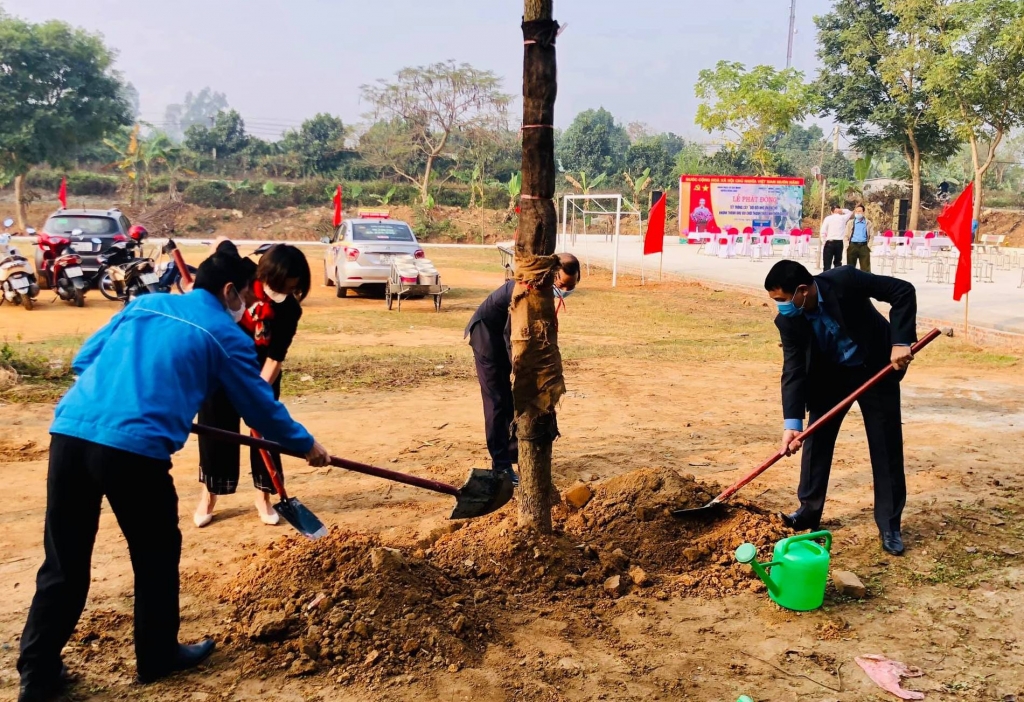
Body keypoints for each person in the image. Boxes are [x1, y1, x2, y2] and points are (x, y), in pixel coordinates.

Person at [16, 245, 330, 702]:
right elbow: (259, 406)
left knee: (64, 562)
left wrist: (146, 392)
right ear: (229, 291)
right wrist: (307, 445)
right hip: (133, 452)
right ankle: (157, 654)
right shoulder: (226, 334)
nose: (247, 302)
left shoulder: (143, 304)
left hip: (70, 436)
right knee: (156, 553)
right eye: (245, 293)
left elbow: (83, 361)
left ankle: (37, 674)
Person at [764, 260, 917, 557]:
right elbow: (793, 369)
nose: (779, 307)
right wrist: (792, 424)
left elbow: (902, 291)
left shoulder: (845, 281)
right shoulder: (789, 321)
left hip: (875, 368)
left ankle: (889, 523)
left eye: (782, 300)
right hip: (830, 377)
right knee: (816, 440)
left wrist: (900, 341)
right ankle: (808, 512)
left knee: (885, 444)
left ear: (803, 290)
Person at [193, 243, 312, 527]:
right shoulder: (242, 274)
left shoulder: (289, 311)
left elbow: (275, 358)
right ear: (265, 273)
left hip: (261, 375)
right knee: (216, 432)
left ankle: (264, 496)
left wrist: (254, 396)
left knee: (267, 435)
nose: (282, 293)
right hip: (221, 368)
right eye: (279, 285)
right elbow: (222, 247)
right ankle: (209, 494)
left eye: (291, 289)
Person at [465, 254, 581, 485]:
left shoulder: (542, 290)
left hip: (505, 340)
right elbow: (513, 336)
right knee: (497, 402)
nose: (566, 289)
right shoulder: (524, 291)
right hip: (487, 340)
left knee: (511, 399)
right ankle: (501, 466)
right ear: (552, 275)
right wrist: (524, 371)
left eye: (572, 285)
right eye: (563, 285)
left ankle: (515, 452)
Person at [819, 205, 852, 271]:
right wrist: (842, 210)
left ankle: (826, 278)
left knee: (827, 263)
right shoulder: (843, 218)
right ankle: (837, 278)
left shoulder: (828, 218)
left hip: (829, 242)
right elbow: (850, 212)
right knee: (837, 263)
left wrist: (824, 241)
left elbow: (823, 231)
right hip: (839, 243)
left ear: (831, 212)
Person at [843, 204, 875, 271]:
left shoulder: (868, 223)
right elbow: (845, 236)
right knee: (850, 268)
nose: (858, 213)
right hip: (852, 246)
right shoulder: (850, 223)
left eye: (860, 211)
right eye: (856, 211)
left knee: (865, 269)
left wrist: (868, 246)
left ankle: (865, 281)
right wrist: (847, 246)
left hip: (864, 246)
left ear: (863, 212)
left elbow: (871, 236)